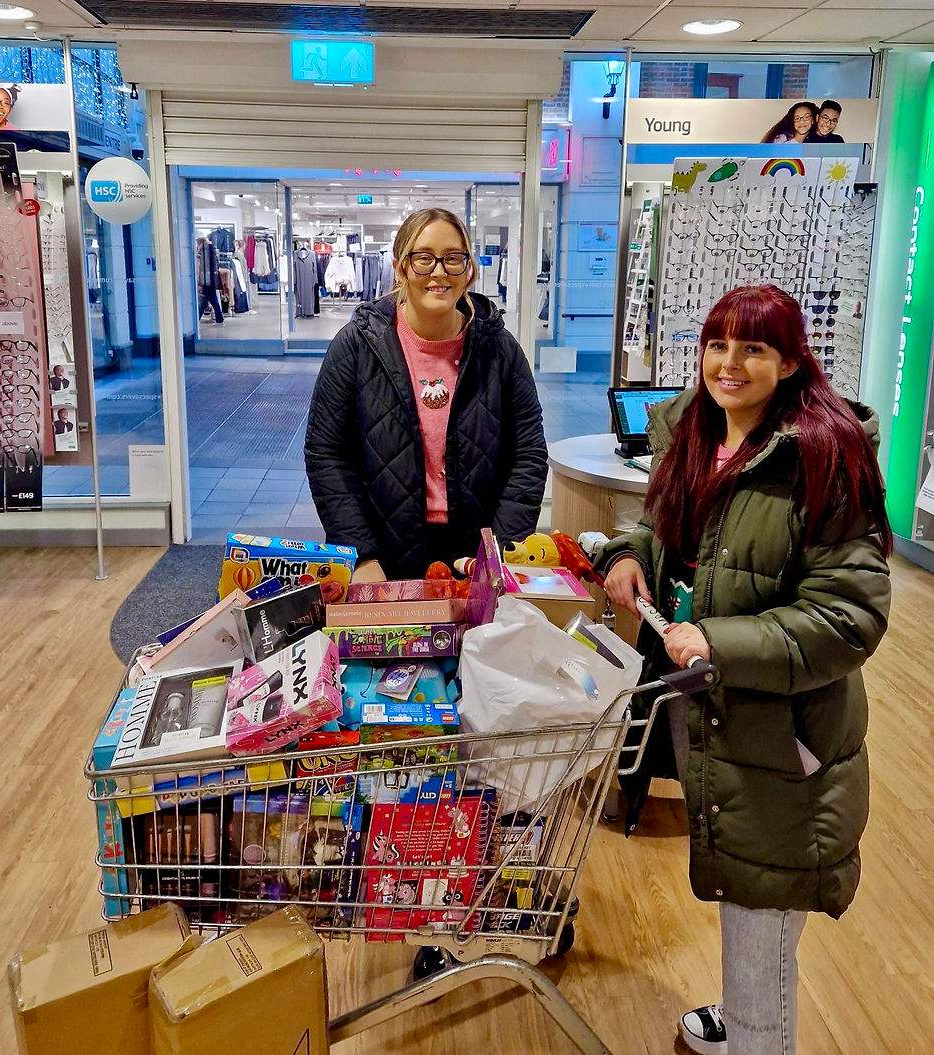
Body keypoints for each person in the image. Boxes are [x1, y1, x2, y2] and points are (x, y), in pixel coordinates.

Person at [598, 285, 892, 1055]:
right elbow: (659, 527)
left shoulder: (825, 457)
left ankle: (758, 1032)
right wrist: (630, 555)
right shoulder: (694, 434)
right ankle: (741, 1016)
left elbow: (848, 617)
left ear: (791, 360)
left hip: (782, 739)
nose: (729, 363)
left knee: (761, 915)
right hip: (718, 717)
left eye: (754, 348)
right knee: (749, 895)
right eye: (718, 344)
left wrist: (719, 644)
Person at [305, 207, 548, 582]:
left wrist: (498, 550)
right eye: (424, 258)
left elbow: (528, 454)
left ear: (468, 268)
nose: (439, 272)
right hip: (383, 555)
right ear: (401, 267)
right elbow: (327, 454)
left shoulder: (499, 349)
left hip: (476, 553)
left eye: (453, 258)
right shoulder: (356, 346)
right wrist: (361, 553)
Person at [195, 236, 224, 325]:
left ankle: (196, 321)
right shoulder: (211, 252)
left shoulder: (203, 253)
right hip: (211, 281)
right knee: (211, 300)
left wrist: (199, 282)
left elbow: (200, 268)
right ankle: (219, 319)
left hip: (206, 282)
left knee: (205, 301)